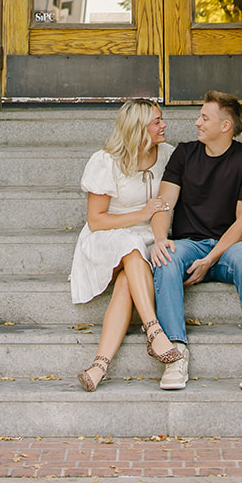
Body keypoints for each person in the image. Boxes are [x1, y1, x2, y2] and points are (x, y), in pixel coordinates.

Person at [150, 90, 242, 391]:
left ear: (225, 126)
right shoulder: (184, 154)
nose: (197, 123)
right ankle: (175, 353)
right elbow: (163, 203)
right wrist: (158, 239)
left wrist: (211, 259)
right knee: (165, 257)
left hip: (229, 247)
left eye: (204, 118)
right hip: (188, 244)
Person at [69, 97, 184, 391]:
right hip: (107, 237)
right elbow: (96, 220)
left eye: (161, 119)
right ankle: (154, 329)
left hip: (145, 239)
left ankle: (99, 365)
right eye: (157, 121)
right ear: (138, 128)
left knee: (126, 283)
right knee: (131, 246)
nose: (164, 125)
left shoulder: (168, 155)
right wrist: (141, 213)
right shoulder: (107, 161)